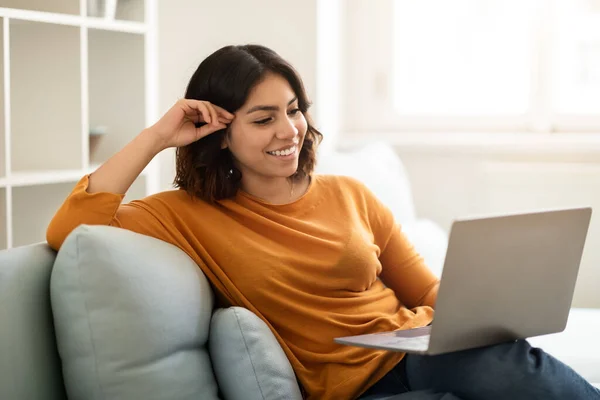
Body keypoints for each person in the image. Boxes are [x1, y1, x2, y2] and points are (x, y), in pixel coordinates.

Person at [47, 44, 599, 400]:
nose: (289, 130)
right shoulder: (185, 215)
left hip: (421, 357)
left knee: (491, 357)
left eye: (293, 109)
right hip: (355, 388)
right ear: (220, 132)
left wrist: (473, 319)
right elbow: (70, 228)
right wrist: (159, 135)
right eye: (263, 119)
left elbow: (426, 290)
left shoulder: (350, 193)